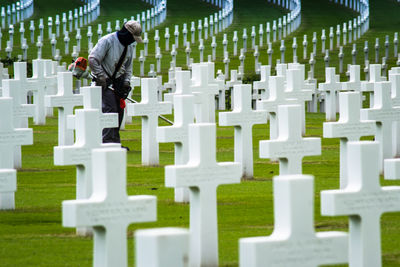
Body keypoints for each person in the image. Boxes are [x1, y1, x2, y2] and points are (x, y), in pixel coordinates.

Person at [88, 20, 143, 148]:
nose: (134, 41)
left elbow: (128, 67)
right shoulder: (107, 41)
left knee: (119, 110)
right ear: (126, 33)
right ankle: (108, 142)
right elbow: (93, 59)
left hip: (118, 82)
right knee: (110, 109)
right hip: (103, 82)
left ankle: (115, 141)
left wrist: (126, 83)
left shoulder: (129, 47)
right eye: (133, 38)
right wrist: (101, 76)